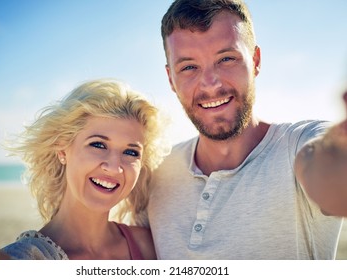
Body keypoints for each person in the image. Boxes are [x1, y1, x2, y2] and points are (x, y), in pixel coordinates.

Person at [140, 0, 347, 259]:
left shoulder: (298, 146)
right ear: (171, 79)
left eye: (226, 59)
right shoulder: (156, 172)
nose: (210, 84)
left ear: (255, 60)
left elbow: (328, 166)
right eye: (189, 67)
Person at [0, 79, 170, 260]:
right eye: (98, 145)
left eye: (131, 152)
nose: (114, 168)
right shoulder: (29, 257)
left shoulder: (147, 246)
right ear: (62, 149)